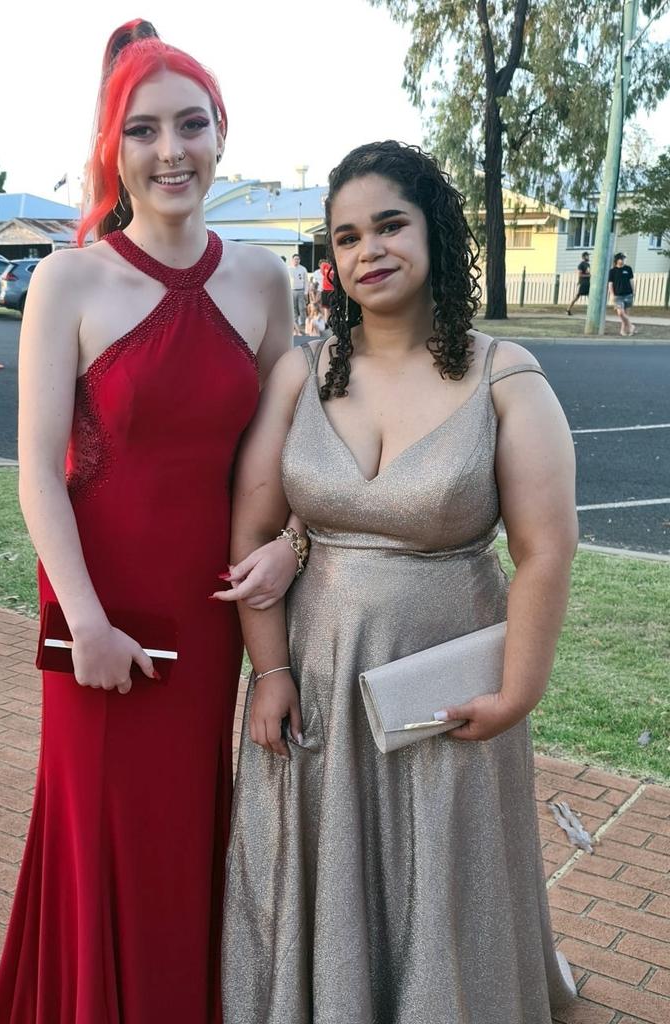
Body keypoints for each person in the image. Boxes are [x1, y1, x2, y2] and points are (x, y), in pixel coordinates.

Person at [0, 18, 299, 1024]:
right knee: (98, 822)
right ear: (114, 149)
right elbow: (37, 478)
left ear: (222, 134)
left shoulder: (263, 281)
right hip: (100, 614)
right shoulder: (68, 279)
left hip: (210, 608)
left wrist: (292, 542)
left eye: (192, 124)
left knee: (185, 827)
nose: (170, 149)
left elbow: (288, 460)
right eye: (142, 130)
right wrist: (86, 621)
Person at [220, 141, 579, 1023]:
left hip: (445, 674)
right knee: (323, 863)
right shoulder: (303, 371)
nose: (367, 251)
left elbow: (546, 548)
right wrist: (267, 674)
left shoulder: (505, 375)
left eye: (389, 225)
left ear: (435, 233)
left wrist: (516, 692)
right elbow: (253, 528)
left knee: (441, 869)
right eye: (346, 237)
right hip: (315, 672)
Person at [608, 252, 636, 336]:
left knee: (625, 315)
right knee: (620, 313)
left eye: (624, 259)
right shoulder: (612, 271)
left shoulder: (628, 269)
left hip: (628, 294)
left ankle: (623, 331)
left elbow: (631, 281)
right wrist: (612, 294)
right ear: (617, 260)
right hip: (618, 296)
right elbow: (610, 284)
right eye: (621, 259)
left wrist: (634, 291)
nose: (623, 260)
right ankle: (631, 326)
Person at [287, 253, 309, 334]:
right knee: (294, 309)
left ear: (299, 260)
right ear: (292, 260)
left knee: (302, 308)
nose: (296, 260)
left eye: (298, 259)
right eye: (295, 259)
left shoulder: (303, 269)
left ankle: (303, 325)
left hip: (301, 291)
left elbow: (306, 281)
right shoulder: (288, 269)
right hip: (292, 291)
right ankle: (295, 326)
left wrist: (306, 292)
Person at [566, 250, 590, 315]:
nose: (588, 257)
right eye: (587, 256)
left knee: (590, 297)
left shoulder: (588, 264)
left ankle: (568, 309)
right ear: (584, 257)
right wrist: (589, 275)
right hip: (584, 283)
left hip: (587, 282)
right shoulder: (581, 265)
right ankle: (568, 309)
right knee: (577, 296)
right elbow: (580, 274)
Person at [319, 254, 334, 318]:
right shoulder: (324, 265)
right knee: (326, 307)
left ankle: (333, 321)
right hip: (325, 289)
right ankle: (326, 321)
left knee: (333, 307)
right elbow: (322, 273)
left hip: (333, 289)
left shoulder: (336, 266)